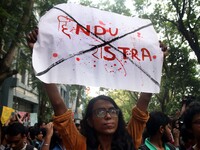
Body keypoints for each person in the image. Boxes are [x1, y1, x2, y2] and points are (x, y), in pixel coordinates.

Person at [27, 29, 166, 150]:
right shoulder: (79, 145)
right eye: (100, 112)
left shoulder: (129, 141)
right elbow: (58, 104)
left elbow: (144, 102)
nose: (108, 116)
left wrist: (156, 62)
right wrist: (38, 55)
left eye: (112, 111)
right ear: (89, 121)